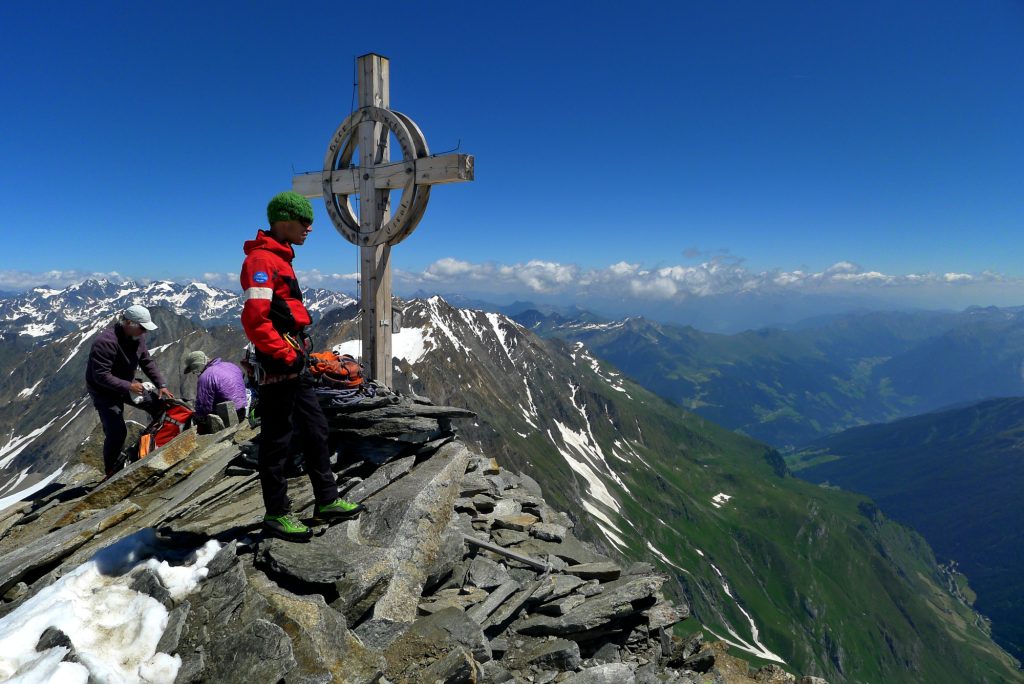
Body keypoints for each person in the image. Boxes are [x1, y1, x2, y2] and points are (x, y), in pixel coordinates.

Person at [240, 190, 363, 541]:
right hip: (280, 363)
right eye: (303, 221)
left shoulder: (279, 258)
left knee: (315, 430)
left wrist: (294, 354)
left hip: (294, 360)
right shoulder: (261, 262)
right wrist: (284, 353)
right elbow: (255, 319)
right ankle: (276, 513)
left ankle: (326, 500)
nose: (309, 228)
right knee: (277, 440)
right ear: (283, 221)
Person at [85, 305, 173, 477]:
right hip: (104, 392)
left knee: (159, 407)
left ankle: (157, 445)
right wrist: (129, 386)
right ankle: (112, 471)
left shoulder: (137, 337)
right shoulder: (105, 342)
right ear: (129, 323)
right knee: (117, 432)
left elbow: (146, 361)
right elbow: (100, 376)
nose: (144, 332)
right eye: (141, 327)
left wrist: (161, 384)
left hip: (127, 384)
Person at [183, 351, 248, 428]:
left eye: (193, 369)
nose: (194, 373)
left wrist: (197, 417)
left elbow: (204, 406)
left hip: (226, 417)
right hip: (243, 411)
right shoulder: (231, 365)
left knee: (193, 419)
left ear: (197, 365)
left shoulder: (206, 376)